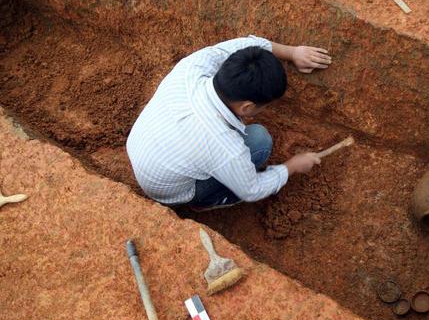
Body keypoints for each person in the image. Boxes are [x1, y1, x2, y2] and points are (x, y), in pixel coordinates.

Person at [126, 36, 332, 210]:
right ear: (247, 107)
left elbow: (247, 44)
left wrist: (293, 53)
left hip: (140, 147)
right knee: (260, 141)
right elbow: (253, 189)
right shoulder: (225, 147)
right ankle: (206, 200)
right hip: (169, 192)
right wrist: (291, 167)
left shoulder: (195, 65)